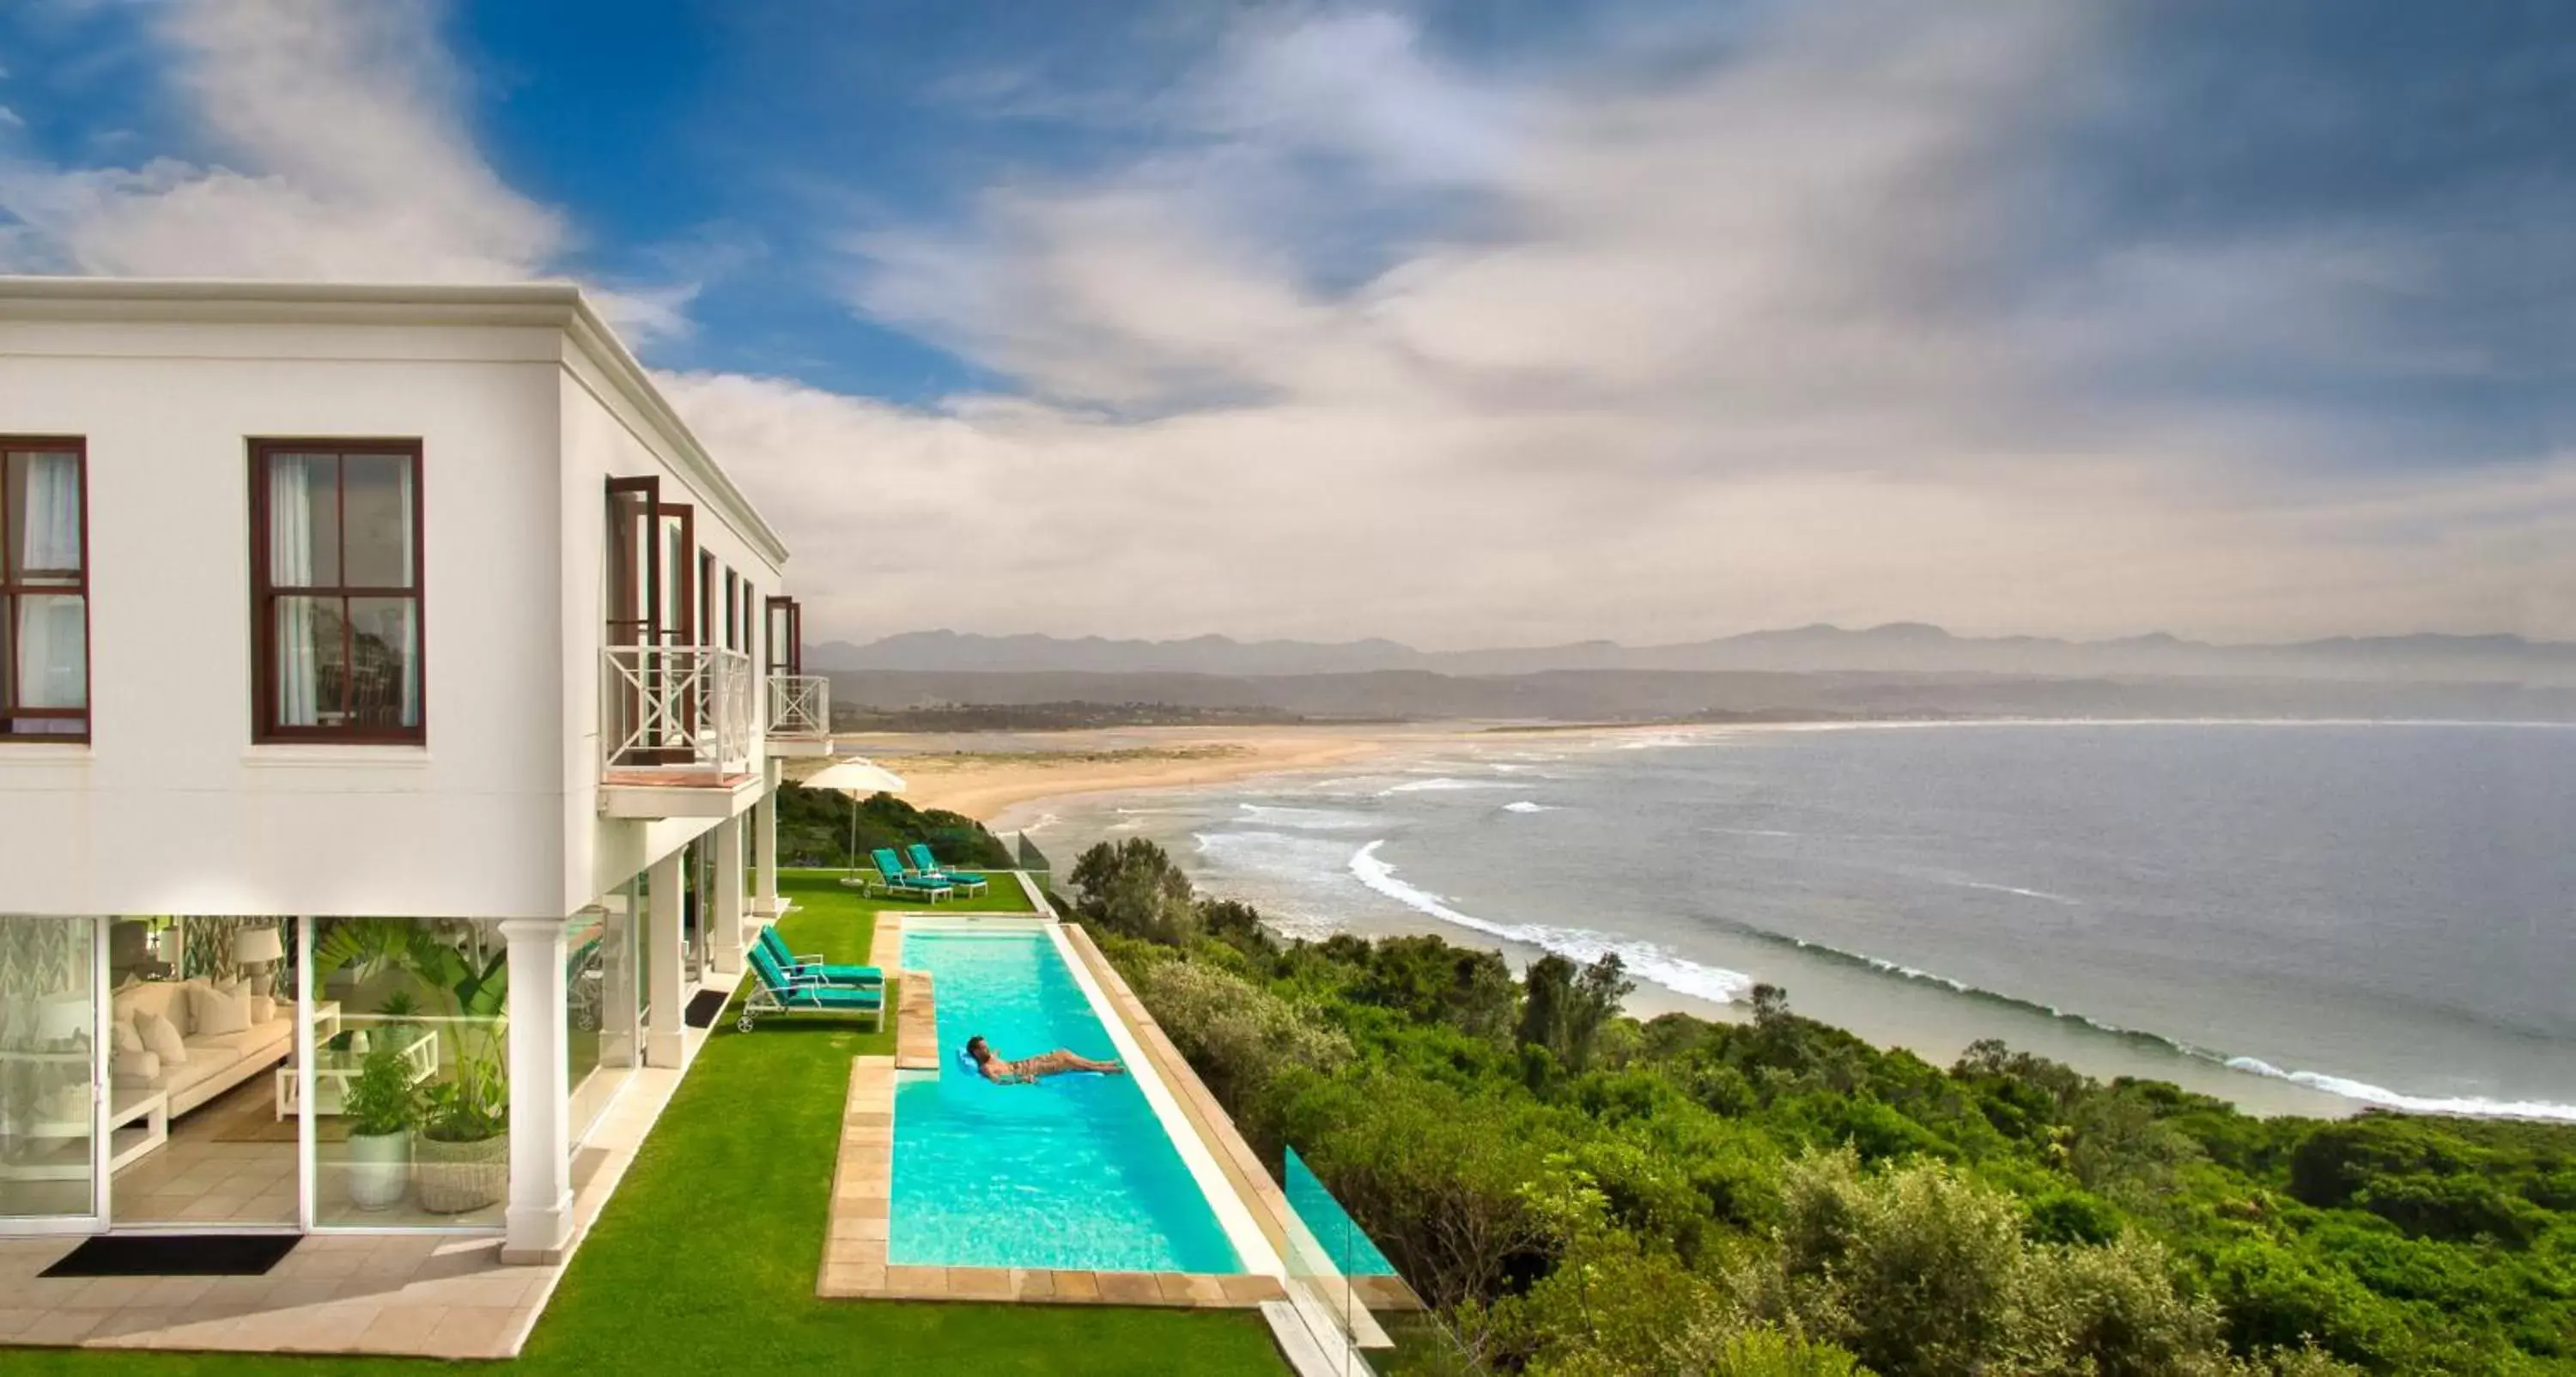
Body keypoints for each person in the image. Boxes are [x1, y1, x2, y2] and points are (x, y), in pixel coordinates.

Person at [965, 1034, 1125, 1083]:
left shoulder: (990, 1056)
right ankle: (1106, 1069)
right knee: (1066, 1062)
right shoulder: (986, 1068)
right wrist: (1023, 1080)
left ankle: (1100, 1063)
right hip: (1028, 1071)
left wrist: (995, 1052)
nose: (987, 1049)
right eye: (983, 1048)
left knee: (1062, 1053)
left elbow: (996, 1054)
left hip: (1025, 1063)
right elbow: (998, 1081)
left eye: (987, 1046)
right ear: (976, 1052)